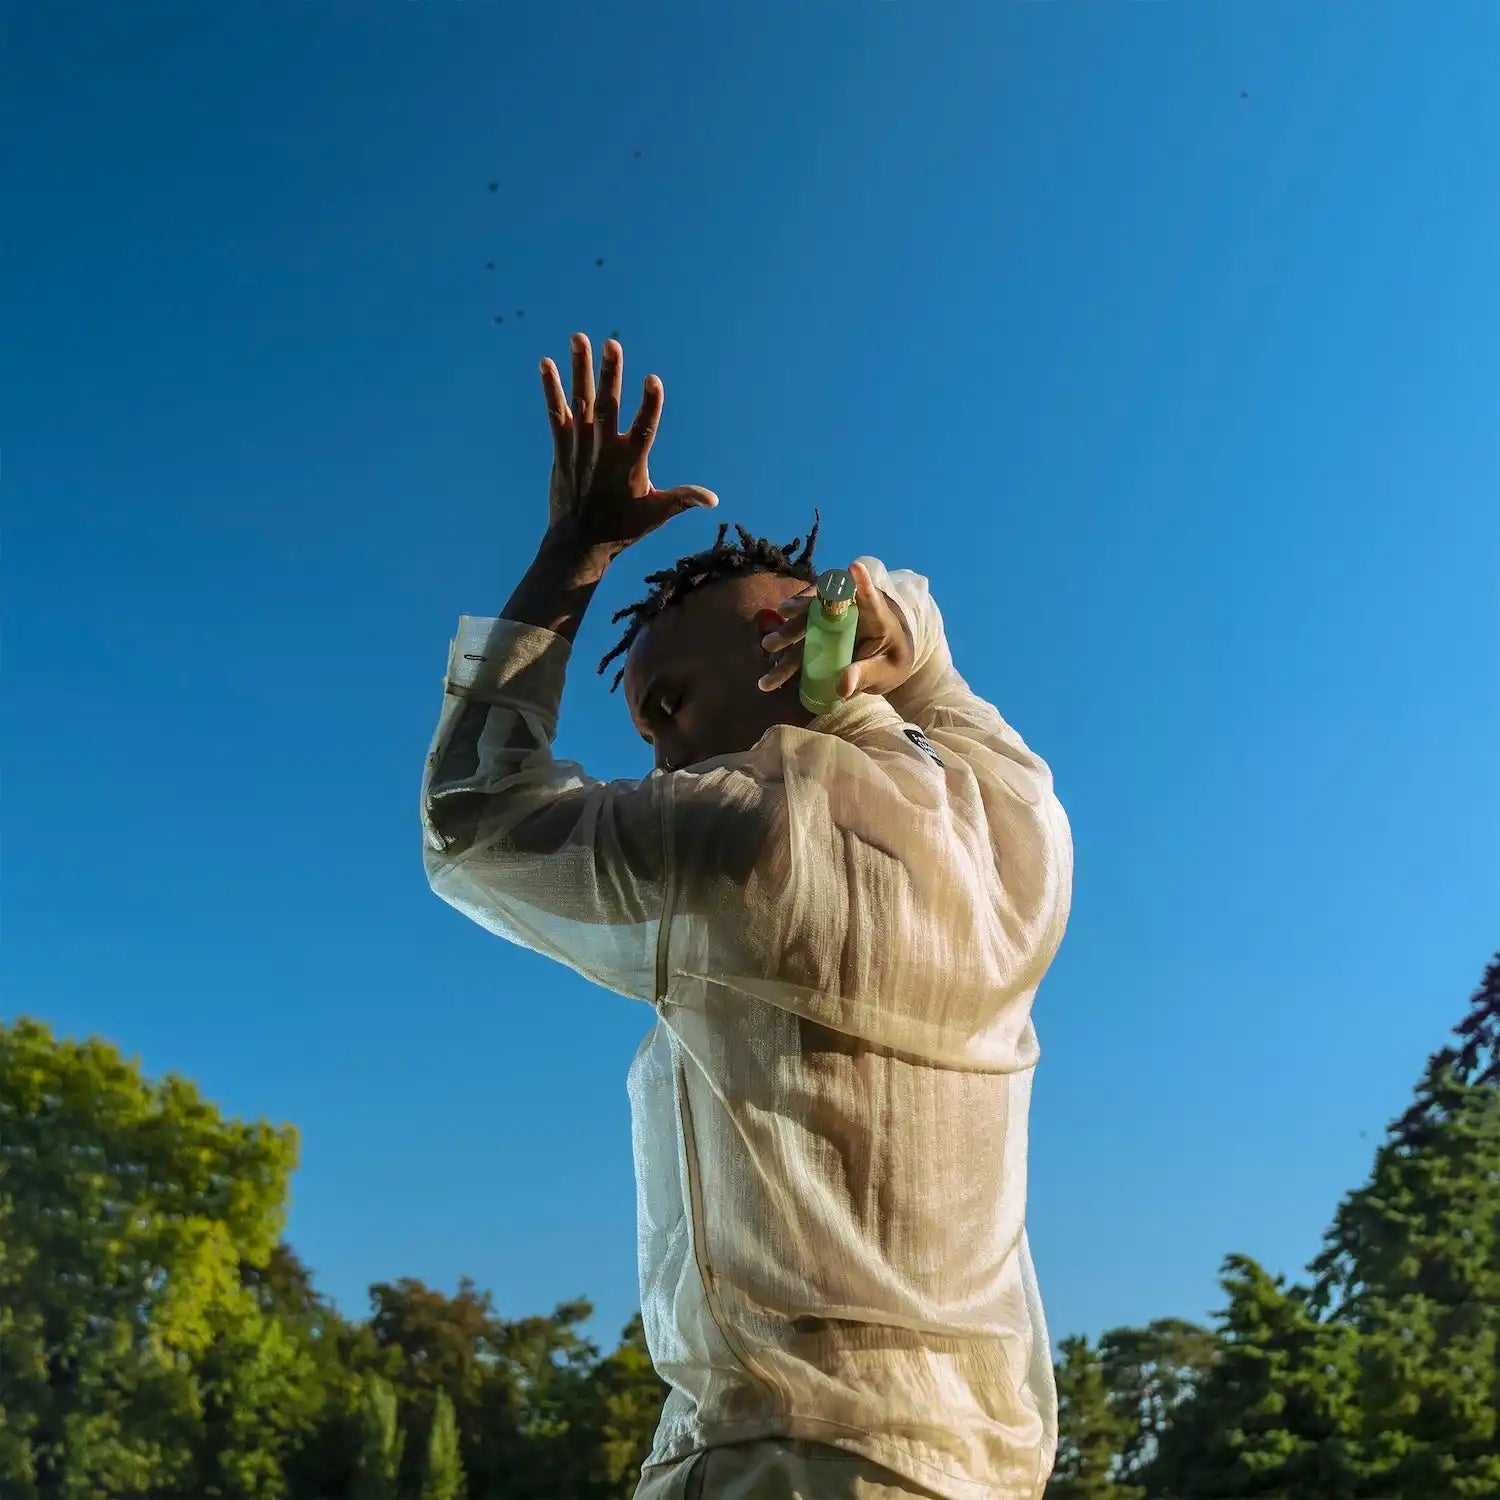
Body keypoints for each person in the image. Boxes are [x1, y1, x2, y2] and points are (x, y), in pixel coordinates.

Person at [420, 334, 1073, 1500]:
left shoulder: (735, 835)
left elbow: (472, 818)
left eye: (666, 702)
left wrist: (580, 546)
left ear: (785, 651)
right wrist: (881, 628)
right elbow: (927, 653)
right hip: (983, 1472)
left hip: (777, 1464)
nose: (661, 749)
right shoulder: (1016, 823)